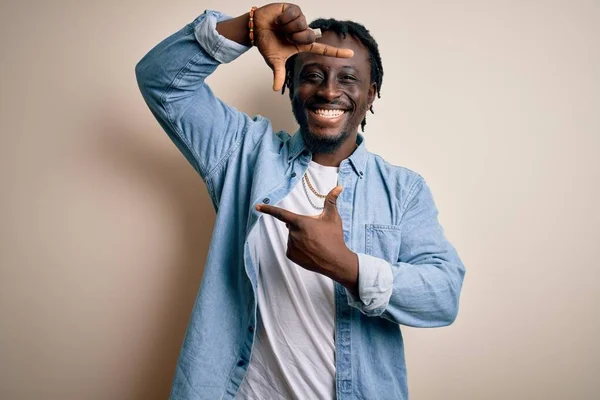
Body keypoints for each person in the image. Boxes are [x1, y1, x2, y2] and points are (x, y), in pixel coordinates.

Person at [135, 4, 465, 399]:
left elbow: (443, 295)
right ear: (290, 84)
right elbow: (161, 81)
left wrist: (346, 266)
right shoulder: (242, 153)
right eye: (312, 76)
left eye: (348, 78)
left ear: (371, 93)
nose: (329, 90)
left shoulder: (403, 190)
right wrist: (249, 28)